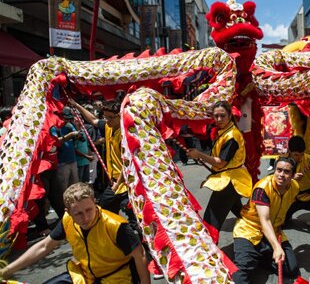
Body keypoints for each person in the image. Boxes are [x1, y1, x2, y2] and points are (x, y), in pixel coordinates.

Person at [0, 183, 150, 284]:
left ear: (94, 203)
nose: (85, 218)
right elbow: (44, 246)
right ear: (68, 212)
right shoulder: (67, 220)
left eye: (89, 210)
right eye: (78, 213)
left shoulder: (115, 225)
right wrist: (7, 271)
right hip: (85, 277)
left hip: (118, 279)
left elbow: (140, 256)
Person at [186, 101, 252, 243]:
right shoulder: (225, 132)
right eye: (216, 116)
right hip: (230, 180)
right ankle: (260, 239)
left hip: (230, 182)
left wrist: (199, 155)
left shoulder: (231, 135)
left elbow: (221, 162)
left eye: (223, 116)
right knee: (243, 215)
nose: (219, 119)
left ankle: (209, 251)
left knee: (211, 221)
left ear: (229, 116)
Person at [232, 157, 300, 283]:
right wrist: (276, 247)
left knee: (292, 269)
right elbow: (265, 221)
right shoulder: (262, 189)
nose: (281, 175)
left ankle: (259, 254)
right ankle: (250, 253)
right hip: (249, 229)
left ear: (293, 175)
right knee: (243, 270)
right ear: (274, 170)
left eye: (286, 172)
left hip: (274, 231)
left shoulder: (294, 187)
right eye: (278, 170)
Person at [68, 99, 129, 217]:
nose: (107, 121)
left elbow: (127, 162)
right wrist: (76, 105)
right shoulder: (108, 127)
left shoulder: (126, 134)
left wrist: (118, 183)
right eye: (106, 117)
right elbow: (93, 120)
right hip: (114, 182)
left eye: (111, 118)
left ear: (120, 115)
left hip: (125, 183)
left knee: (127, 216)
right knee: (108, 212)